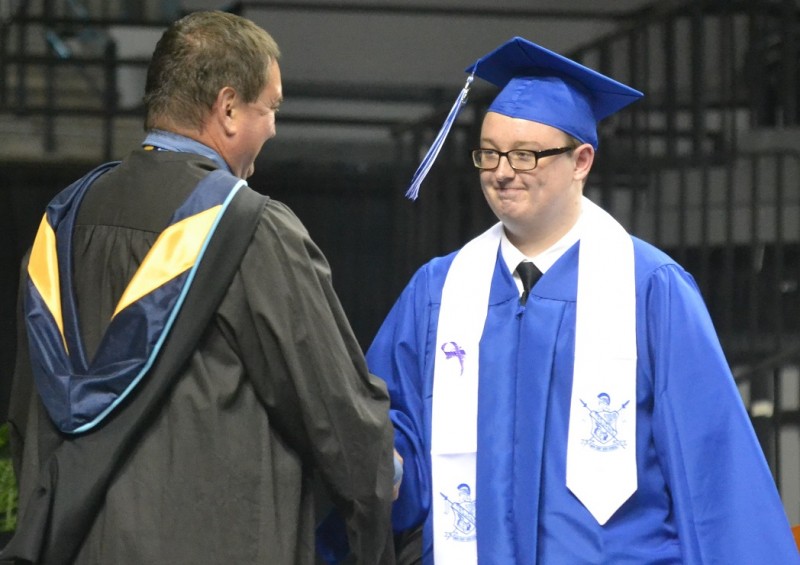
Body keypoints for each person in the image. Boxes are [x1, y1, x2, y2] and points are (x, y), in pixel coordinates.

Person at [367, 36, 800, 564]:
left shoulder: (649, 288)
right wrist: (383, 463)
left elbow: (714, 468)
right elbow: (392, 436)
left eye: (524, 155)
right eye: (490, 153)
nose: (502, 171)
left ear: (581, 161)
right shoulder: (438, 292)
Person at [2, 11, 396, 565]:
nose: (273, 129)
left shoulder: (60, 225)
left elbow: (27, 416)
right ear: (228, 108)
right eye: (271, 108)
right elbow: (337, 415)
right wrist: (383, 486)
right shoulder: (251, 230)